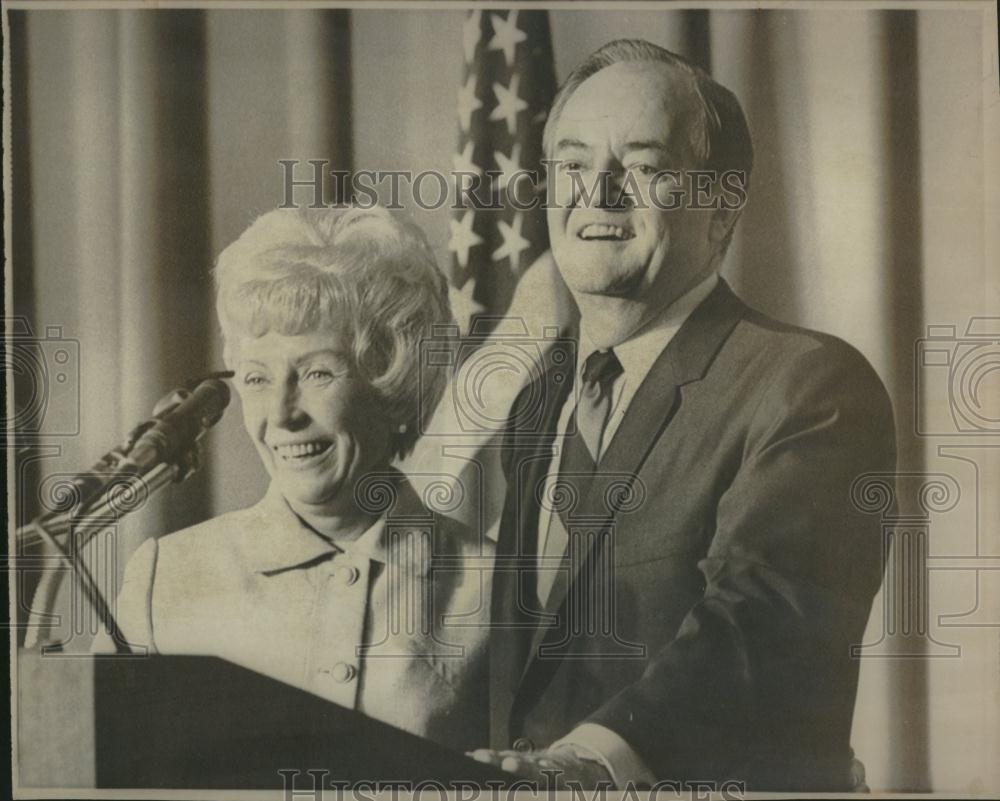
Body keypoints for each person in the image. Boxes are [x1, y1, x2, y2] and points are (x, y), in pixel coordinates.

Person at [471, 39, 896, 791]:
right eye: (572, 164)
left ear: (724, 205)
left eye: (642, 167)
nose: (596, 195)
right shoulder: (541, 395)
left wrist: (587, 760)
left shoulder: (808, 383)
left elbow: (763, 626)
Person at [99, 205, 492, 749]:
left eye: (316, 373)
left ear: (394, 381)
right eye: (258, 377)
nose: (281, 414)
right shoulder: (164, 578)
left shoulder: (496, 585)